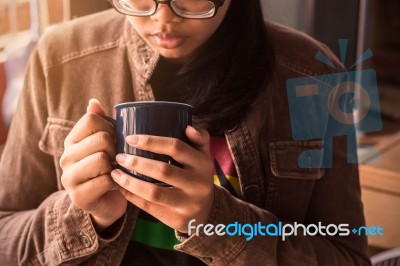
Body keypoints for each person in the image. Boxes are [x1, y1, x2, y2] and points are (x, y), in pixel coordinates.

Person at [0, 0, 371, 265]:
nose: (162, 19)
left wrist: (216, 220)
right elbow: (5, 238)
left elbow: (347, 255)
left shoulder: (314, 73)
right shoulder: (59, 56)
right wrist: (84, 215)